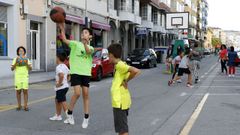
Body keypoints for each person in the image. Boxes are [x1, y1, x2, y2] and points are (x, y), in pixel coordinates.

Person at [58, 23, 94, 128]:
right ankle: (70, 113)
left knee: (86, 94)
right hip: (76, 72)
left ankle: (86, 117)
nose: (83, 34)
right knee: (77, 93)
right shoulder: (75, 44)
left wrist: (85, 44)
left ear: (90, 36)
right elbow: (64, 40)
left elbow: (87, 52)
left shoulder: (91, 47)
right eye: (82, 32)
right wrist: (62, 29)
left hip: (86, 73)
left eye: (86, 32)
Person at [107, 43, 141, 135]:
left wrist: (126, 80)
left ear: (111, 55)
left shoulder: (120, 65)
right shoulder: (119, 65)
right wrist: (126, 80)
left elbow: (136, 71)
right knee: (121, 129)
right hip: (120, 101)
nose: (107, 57)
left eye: (108, 54)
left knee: (123, 130)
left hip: (120, 102)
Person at [49, 53, 70, 121]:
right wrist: (66, 81)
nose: (55, 59)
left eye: (56, 57)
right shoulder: (65, 66)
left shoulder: (58, 67)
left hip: (61, 87)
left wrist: (59, 83)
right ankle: (58, 115)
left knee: (63, 101)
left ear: (58, 58)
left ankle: (69, 117)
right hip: (65, 86)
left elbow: (61, 75)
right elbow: (69, 74)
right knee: (57, 100)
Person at [11, 46, 32, 111]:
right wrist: (16, 63)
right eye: (19, 51)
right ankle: (19, 105)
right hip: (18, 77)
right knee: (18, 91)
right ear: (18, 52)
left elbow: (30, 69)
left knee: (25, 91)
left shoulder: (27, 59)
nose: (21, 52)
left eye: (22, 51)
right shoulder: (15, 59)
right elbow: (12, 69)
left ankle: (25, 106)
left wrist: (26, 64)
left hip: (25, 77)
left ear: (24, 52)